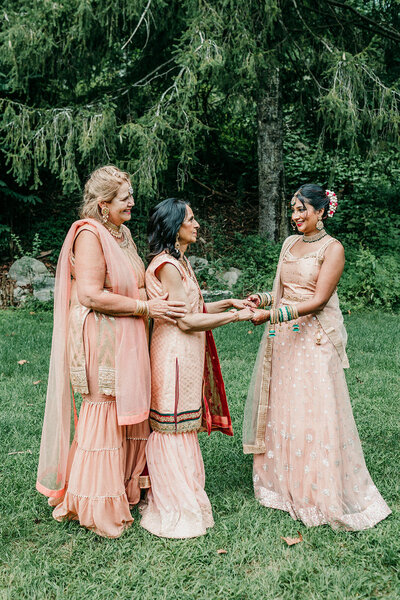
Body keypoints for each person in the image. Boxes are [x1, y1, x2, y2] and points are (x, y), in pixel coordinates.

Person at [36, 166, 186, 538]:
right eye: (125, 198)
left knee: (129, 412)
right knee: (104, 408)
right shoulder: (89, 235)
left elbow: (134, 282)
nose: (133, 202)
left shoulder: (123, 233)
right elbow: (89, 294)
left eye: (131, 195)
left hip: (129, 331)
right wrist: (144, 309)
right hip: (102, 336)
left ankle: (124, 488)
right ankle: (95, 503)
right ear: (103, 205)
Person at [244, 184, 391, 530]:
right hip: (285, 338)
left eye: (302, 210)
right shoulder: (288, 244)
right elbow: (284, 289)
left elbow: (318, 300)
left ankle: (316, 487)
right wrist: (263, 300)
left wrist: (273, 316)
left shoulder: (333, 248)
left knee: (315, 407)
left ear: (322, 211)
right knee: (286, 405)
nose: (295, 216)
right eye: (293, 210)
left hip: (315, 338)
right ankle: (281, 483)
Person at [140, 197, 255, 538]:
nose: (197, 224)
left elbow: (194, 305)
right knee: (171, 427)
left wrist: (227, 302)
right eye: (191, 219)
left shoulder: (180, 261)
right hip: (174, 353)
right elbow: (188, 321)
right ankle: (174, 502)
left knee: (182, 427)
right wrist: (235, 316)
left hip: (186, 353)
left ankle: (186, 492)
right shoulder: (167, 266)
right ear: (174, 226)